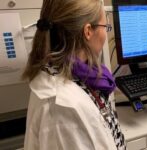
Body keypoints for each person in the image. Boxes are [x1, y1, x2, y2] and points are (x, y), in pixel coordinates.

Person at [22, 0, 125, 149]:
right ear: (88, 31)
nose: (105, 33)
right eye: (105, 27)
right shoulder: (61, 108)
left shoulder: (77, 76)